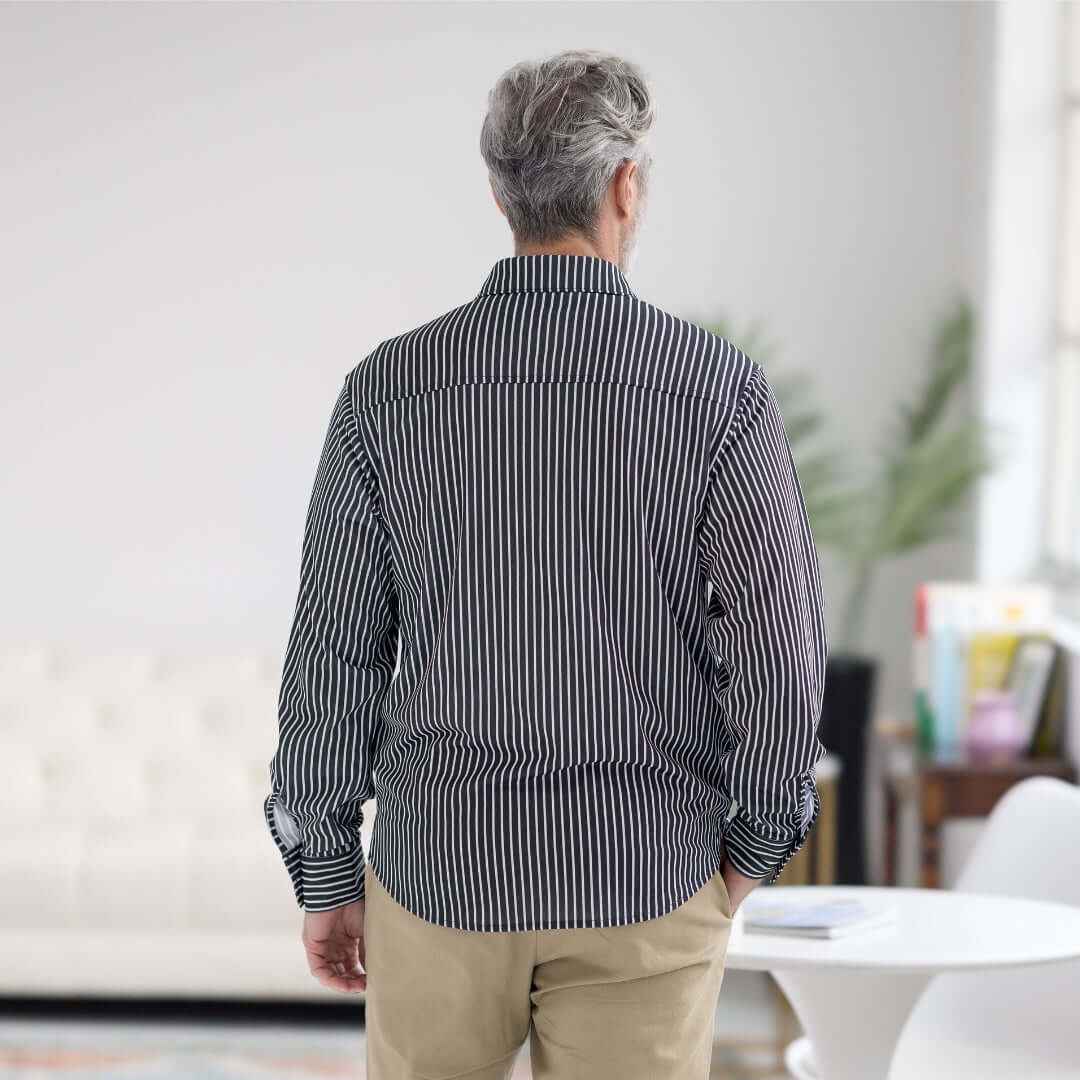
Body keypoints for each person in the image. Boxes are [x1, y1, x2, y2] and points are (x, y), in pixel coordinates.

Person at [264, 47, 828, 1080]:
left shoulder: (387, 393)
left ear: (498, 192)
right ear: (625, 187)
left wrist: (327, 868)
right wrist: (753, 848)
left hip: (440, 881)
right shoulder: (715, 392)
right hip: (645, 881)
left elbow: (335, 652)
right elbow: (777, 651)